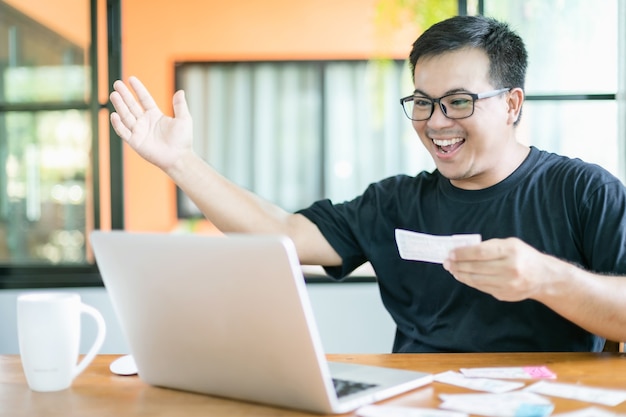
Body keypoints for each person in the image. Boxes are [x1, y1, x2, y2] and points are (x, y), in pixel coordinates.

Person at [109, 15, 626, 353]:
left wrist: (545, 278)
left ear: (512, 104)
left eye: (459, 101)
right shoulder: (395, 202)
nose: (436, 122)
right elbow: (281, 232)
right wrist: (180, 163)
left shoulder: (583, 191)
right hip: (417, 402)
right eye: (422, 102)